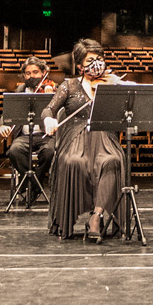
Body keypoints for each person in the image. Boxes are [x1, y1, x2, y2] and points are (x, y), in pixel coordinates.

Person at [42, 43, 125, 242]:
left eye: (99, 59)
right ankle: (68, 220)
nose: (96, 64)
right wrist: (48, 120)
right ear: (80, 66)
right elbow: (49, 109)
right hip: (75, 139)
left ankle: (96, 217)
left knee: (112, 161)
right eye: (90, 60)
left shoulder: (110, 84)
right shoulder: (69, 86)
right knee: (74, 162)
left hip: (104, 138)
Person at [0, 58, 58, 206]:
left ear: (44, 73)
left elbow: (61, 113)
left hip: (46, 135)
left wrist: (51, 98)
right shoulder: (20, 91)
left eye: (35, 72)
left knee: (50, 151)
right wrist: (3, 126)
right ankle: (35, 185)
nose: (31, 76)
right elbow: (6, 113)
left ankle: (31, 184)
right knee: (14, 151)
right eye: (27, 73)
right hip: (25, 136)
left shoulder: (54, 89)